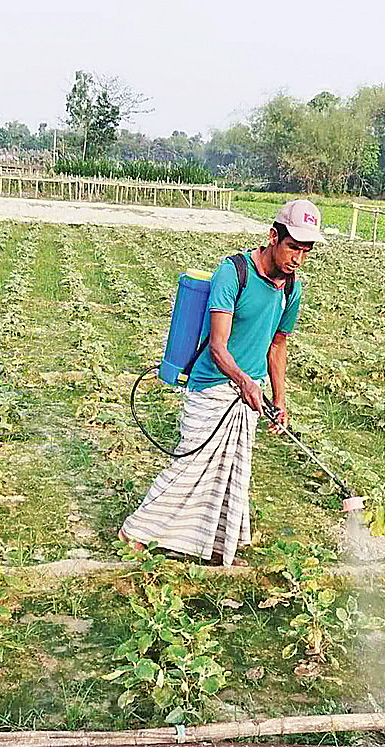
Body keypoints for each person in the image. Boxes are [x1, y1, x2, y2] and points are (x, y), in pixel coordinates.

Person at [119, 199, 323, 566]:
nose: (297, 258)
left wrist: (280, 400)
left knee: (231, 473)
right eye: (293, 247)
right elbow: (218, 347)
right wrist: (245, 382)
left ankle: (217, 543)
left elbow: (278, 345)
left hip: (249, 393)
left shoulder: (292, 289)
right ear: (273, 236)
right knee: (191, 464)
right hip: (213, 386)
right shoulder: (234, 273)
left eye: (305, 251)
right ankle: (135, 532)